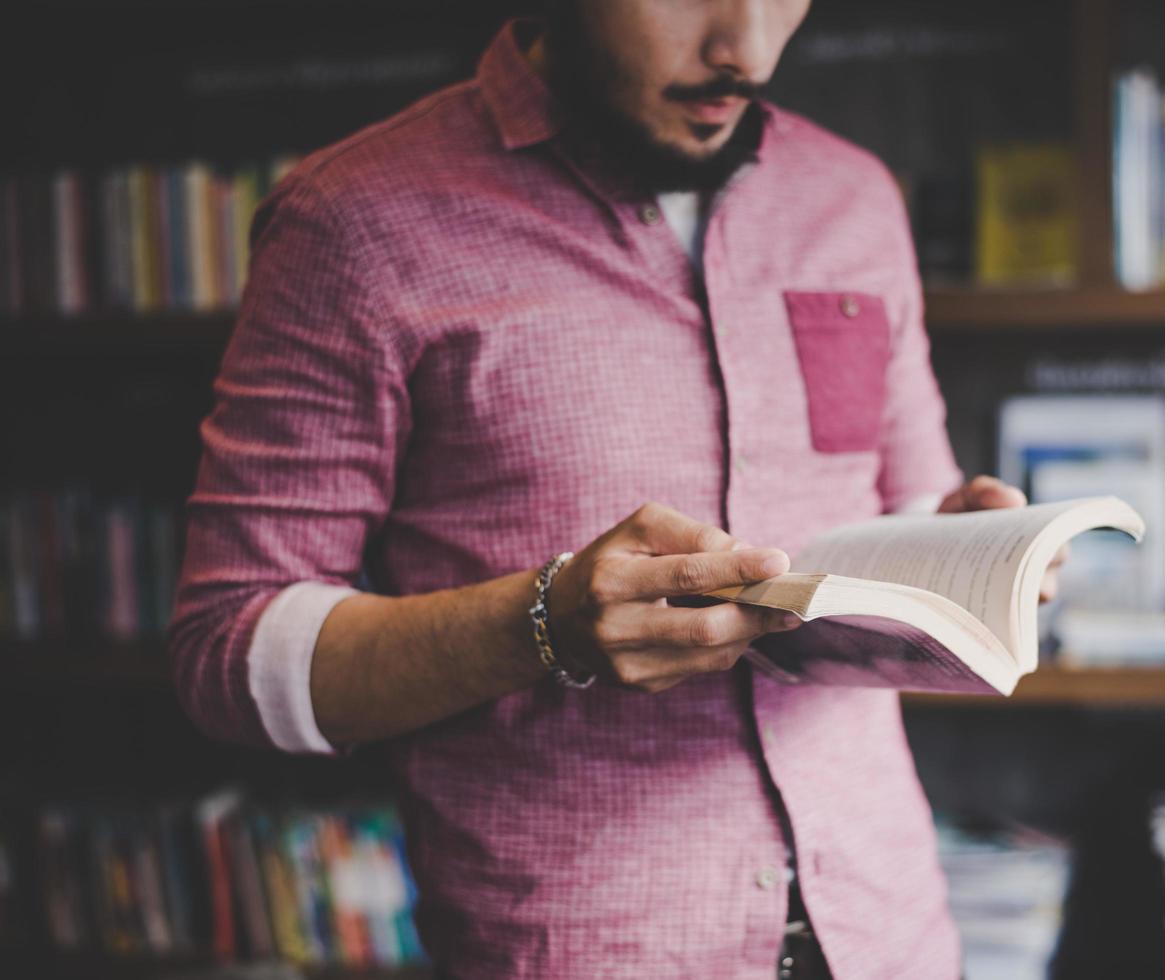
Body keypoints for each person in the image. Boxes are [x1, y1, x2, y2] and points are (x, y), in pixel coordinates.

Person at [168, 2, 1061, 977]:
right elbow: (227, 648)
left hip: (890, 935)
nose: (746, 53)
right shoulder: (352, 218)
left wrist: (962, 552)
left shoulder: (854, 198)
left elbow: (909, 491)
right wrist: (542, 621)